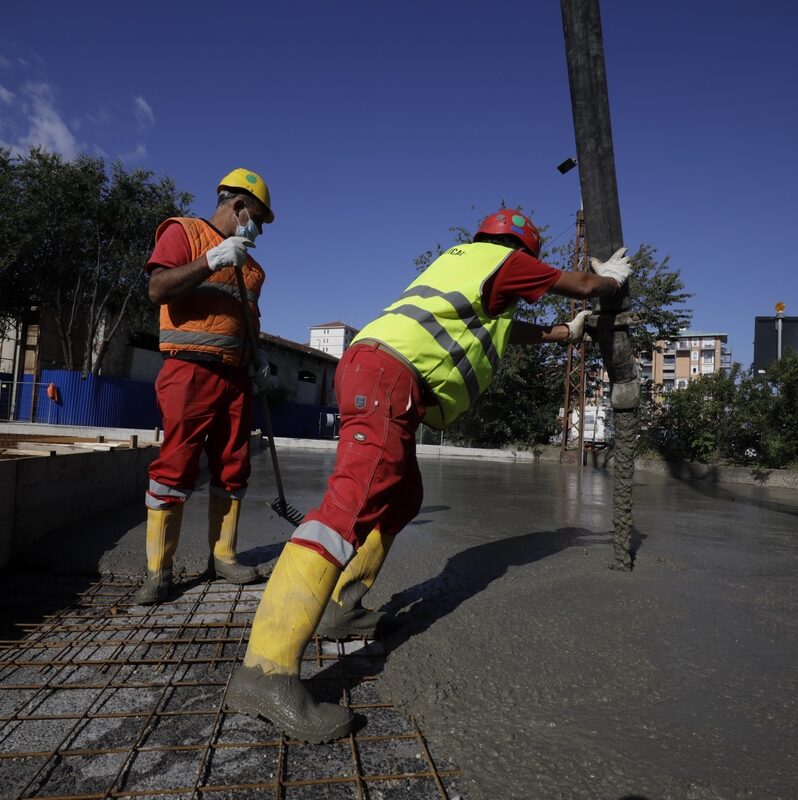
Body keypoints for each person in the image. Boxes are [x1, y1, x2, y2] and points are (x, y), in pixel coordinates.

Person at [224, 208, 631, 742]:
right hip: (389, 377)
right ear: (520, 250)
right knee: (344, 512)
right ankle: (265, 670)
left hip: (381, 373)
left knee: (402, 496)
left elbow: (514, 331)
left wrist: (564, 334)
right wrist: (609, 281)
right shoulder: (505, 262)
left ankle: (341, 608)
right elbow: (578, 283)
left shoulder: (470, 273)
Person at [134, 168, 275, 605]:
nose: (259, 229)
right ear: (237, 205)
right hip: (189, 372)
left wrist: (258, 356)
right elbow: (158, 289)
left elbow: (246, 319)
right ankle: (159, 573)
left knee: (234, 468)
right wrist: (212, 259)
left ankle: (224, 557)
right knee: (175, 467)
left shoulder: (252, 268)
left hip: (235, 377)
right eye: (257, 218)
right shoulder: (184, 233)